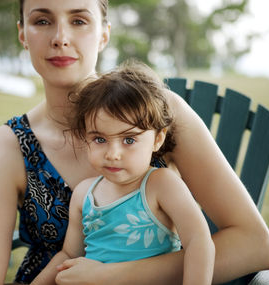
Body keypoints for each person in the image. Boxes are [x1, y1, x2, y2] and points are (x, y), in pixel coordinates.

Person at [0, 0, 269, 284]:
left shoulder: (155, 112)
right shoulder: (8, 147)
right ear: (23, 34)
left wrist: (112, 276)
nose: (60, 37)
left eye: (79, 21)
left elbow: (254, 244)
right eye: (42, 21)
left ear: (103, 34)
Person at [31, 61, 215, 285]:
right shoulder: (84, 194)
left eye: (129, 140)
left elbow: (198, 241)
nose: (113, 154)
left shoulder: (160, 185)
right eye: (99, 139)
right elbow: (70, 254)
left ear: (158, 139)